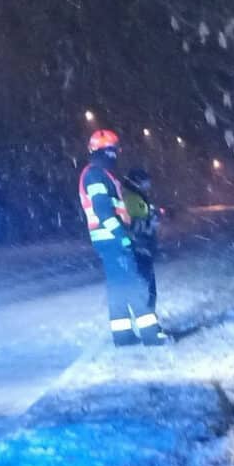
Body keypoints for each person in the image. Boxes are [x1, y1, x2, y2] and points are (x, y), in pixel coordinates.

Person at [78, 130, 164, 347]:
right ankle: (151, 334)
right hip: (113, 239)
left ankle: (123, 336)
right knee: (134, 283)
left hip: (108, 239)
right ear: (106, 151)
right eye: (114, 150)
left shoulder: (101, 174)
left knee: (119, 286)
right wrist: (122, 237)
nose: (116, 155)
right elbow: (103, 211)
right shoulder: (96, 175)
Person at [120, 167, 159, 314]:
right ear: (137, 182)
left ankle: (150, 323)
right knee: (147, 290)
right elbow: (130, 224)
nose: (148, 184)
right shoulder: (131, 198)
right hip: (138, 248)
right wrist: (150, 224)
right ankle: (149, 326)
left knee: (148, 289)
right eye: (146, 181)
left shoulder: (137, 196)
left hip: (143, 247)